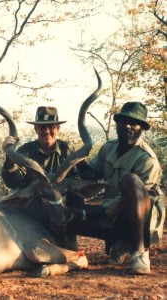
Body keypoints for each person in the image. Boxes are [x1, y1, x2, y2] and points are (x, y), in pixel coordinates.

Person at [56, 101, 165, 275]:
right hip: (114, 216)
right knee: (69, 211)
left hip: (140, 223)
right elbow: (92, 175)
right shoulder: (109, 148)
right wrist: (81, 163)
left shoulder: (147, 159)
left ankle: (138, 252)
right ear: (117, 124)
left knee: (130, 181)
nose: (127, 126)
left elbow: (129, 200)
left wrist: (92, 211)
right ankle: (119, 243)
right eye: (123, 121)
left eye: (133, 123)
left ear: (142, 128)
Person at [1, 106, 80, 248]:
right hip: (33, 209)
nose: (47, 131)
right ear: (35, 129)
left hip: (59, 210)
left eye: (51, 127)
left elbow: (77, 182)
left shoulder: (66, 150)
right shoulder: (24, 151)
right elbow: (13, 182)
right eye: (42, 128)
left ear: (58, 128)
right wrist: (8, 157)